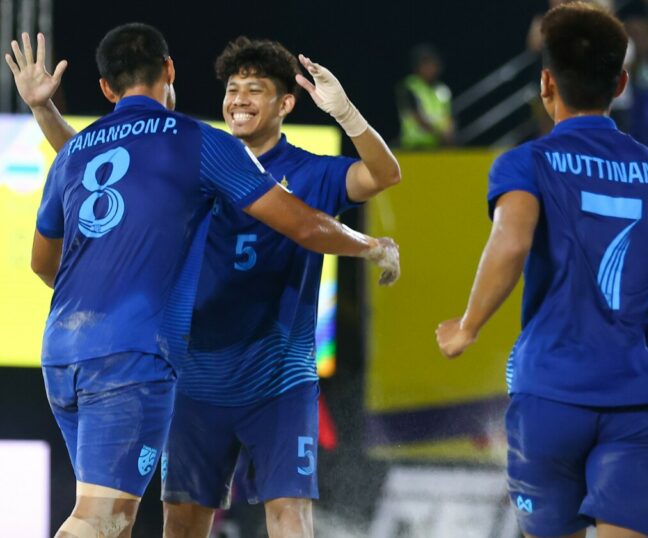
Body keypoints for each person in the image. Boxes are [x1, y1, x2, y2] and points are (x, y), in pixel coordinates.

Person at [4, 26, 399, 538]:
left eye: (254, 89)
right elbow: (301, 224)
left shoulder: (297, 169)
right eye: (233, 88)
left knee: (119, 519)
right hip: (178, 374)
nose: (239, 99)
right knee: (123, 520)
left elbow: (96, 166)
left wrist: (345, 113)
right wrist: (371, 246)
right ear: (170, 71)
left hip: (268, 380)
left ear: (285, 103)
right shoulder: (200, 147)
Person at [436, 3, 648, 538]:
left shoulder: (526, 161)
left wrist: (468, 325)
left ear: (546, 82)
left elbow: (510, 244)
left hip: (550, 396)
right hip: (641, 404)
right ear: (621, 82)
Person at [395, 44, 454, 149]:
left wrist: (449, 132)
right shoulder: (410, 86)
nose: (430, 68)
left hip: (438, 147)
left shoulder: (443, 90)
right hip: (413, 148)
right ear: (417, 67)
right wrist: (438, 133)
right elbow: (415, 115)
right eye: (425, 64)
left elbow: (447, 117)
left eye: (432, 64)